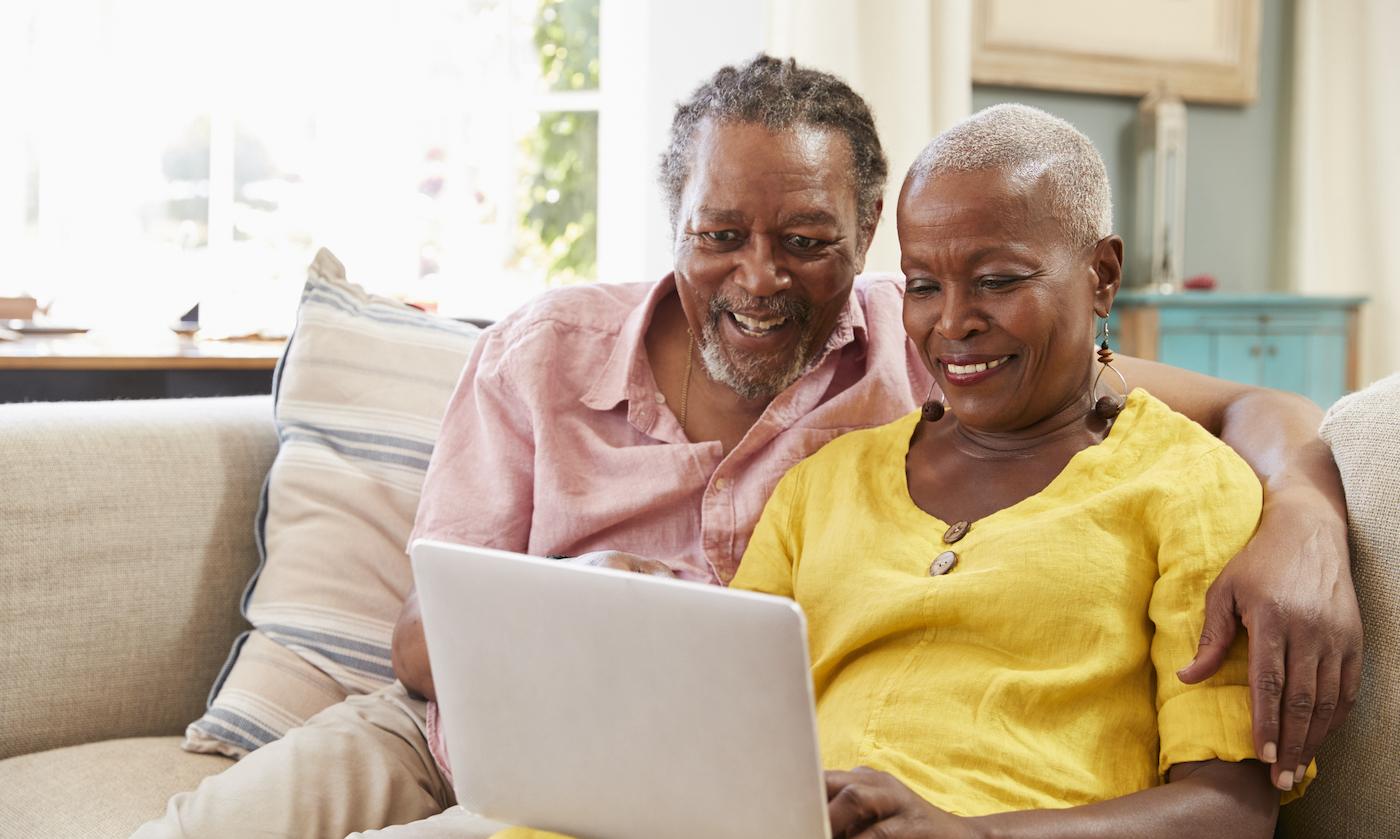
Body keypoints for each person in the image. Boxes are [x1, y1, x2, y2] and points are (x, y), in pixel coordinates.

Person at [136, 56, 1359, 839]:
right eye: (718, 233)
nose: (759, 279)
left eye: (808, 241)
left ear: (864, 235)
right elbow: (425, 631)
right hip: (456, 730)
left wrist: (1302, 510)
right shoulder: (545, 351)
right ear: (671, 223)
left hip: (694, 791)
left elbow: (1227, 411)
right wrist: (587, 606)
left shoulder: (927, 345)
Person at [730, 103, 1295, 838]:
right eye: (925, 285)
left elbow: (1233, 808)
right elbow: (723, 725)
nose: (954, 321)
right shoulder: (822, 484)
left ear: (1102, 275)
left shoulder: (1187, 486)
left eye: (997, 280)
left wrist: (977, 835)